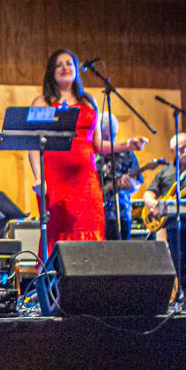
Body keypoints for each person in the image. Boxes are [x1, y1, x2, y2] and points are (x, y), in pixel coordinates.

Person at [29, 49, 148, 258]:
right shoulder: (43, 103)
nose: (65, 68)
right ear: (51, 72)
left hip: (86, 180)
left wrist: (127, 145)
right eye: (59, 64)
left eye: (69, 63)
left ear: (76, 69)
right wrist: (39, 179)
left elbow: (98, 144)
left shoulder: (88, 101)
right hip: (55, 180)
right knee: (57, 233)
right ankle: (55, 287)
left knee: (90, 228)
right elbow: (32, 145)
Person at [143, 132, 186, 290]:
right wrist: (152, 203)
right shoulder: (166, 171)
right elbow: (149, 192)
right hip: (173, 223)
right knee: (179, 261)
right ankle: (185, 296)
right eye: (181, 148)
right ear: (173, 150)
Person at [95, 112, 142, 241]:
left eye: (112, 135)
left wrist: (130, 184)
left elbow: (137, 183)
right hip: (97, 215)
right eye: (105, 136)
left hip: (121, 214)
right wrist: (109, 186)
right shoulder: (92, 155)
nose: (109, 139)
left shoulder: (126, 154)